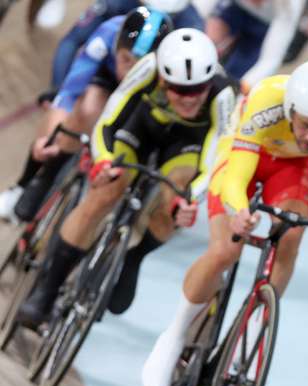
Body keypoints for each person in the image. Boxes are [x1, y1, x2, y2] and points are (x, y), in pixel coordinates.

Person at [140, 59, 308, 386]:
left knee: (292, 234)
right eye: (307, 126)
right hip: (244, 150)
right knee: (227, 248)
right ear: (291, 109)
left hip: (292, 167)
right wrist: (238, 211)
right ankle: (174, 334)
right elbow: (237, 176)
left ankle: (250, 335)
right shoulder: (266, 100)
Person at [16, 29, 236, 327]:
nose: (190, 99)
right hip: (140, 128)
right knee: (104, 193)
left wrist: (187, 200)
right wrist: (104, 161)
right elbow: (108, 120)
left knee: (175, 196)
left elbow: (214, 161)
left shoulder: (222, 95)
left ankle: (134, 259)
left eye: (199, 89)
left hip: (185, 144)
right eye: (180, 91)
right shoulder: (147, 67)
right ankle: (46, 291)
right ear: (162, 79)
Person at [0, 7, 172, 224]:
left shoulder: (167, 63)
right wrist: (52, 136)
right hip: (104, 81)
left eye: (138, 65)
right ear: (117, 45)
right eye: (126, 59)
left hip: (142, 93)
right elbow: (71, 90)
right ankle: (30, 182)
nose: (129, 70)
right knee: (84, 110)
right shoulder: (109, 32)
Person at [42, 0, 204, 104]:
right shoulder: (115, 4)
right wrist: (58, 90)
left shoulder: (192, 24)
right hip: (105, 70)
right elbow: (74, 39)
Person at [205, 0, 306, 93]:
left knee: (238, 78)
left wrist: (240, 88)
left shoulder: (290, 5)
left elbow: (271, 60)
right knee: (206, 43)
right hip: (235, 6)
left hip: (267, 22)